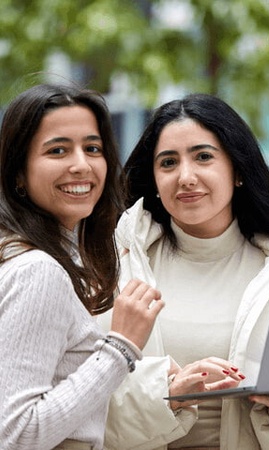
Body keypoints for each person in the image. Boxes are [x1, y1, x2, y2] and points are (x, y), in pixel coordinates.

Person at [101, 93, 269, 450]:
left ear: (237, 172)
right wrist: (170, 394)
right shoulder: (114, 268)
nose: (186, 177)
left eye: (203, 157)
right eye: (168, 162)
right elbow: (87, 410)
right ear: (153, 179)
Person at [0, 83, 164, 450]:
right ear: (18, 175)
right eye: (58, 150)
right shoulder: (36, 272)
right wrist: (121, 348)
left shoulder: (23, 258)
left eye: (93, 148)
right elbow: (15, 434)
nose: (81, 165)